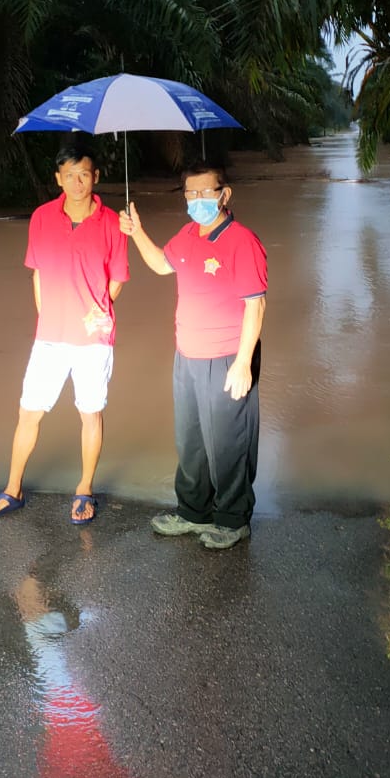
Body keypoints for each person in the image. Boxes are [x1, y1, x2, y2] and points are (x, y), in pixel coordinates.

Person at [0, 145, 129, 524]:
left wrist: (96, 311)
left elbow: (118, 280)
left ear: (96, 177)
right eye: (69, 174)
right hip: (49, 336)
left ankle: (84, 490)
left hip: (94, 338)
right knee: (28, 412)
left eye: (85, 174)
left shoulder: (114, 222)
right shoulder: (42, 217)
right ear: (57, 178)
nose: (77, 182)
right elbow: (37, 273)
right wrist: (48, 317)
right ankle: (12, 489)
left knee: (90, 413)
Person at [119, 161, 267, 549]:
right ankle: (192, 512)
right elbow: (160, 264)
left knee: (229, 443)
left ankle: (233, 520)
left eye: (206, 192)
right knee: (191, 441)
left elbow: (256, 305)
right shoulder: (187, 235)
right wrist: (136, 233)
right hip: (187, 356)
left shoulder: (242, 241)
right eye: (191, 193)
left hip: (227, 357)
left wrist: (242, 362)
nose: (199, 199)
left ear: (224, 194)